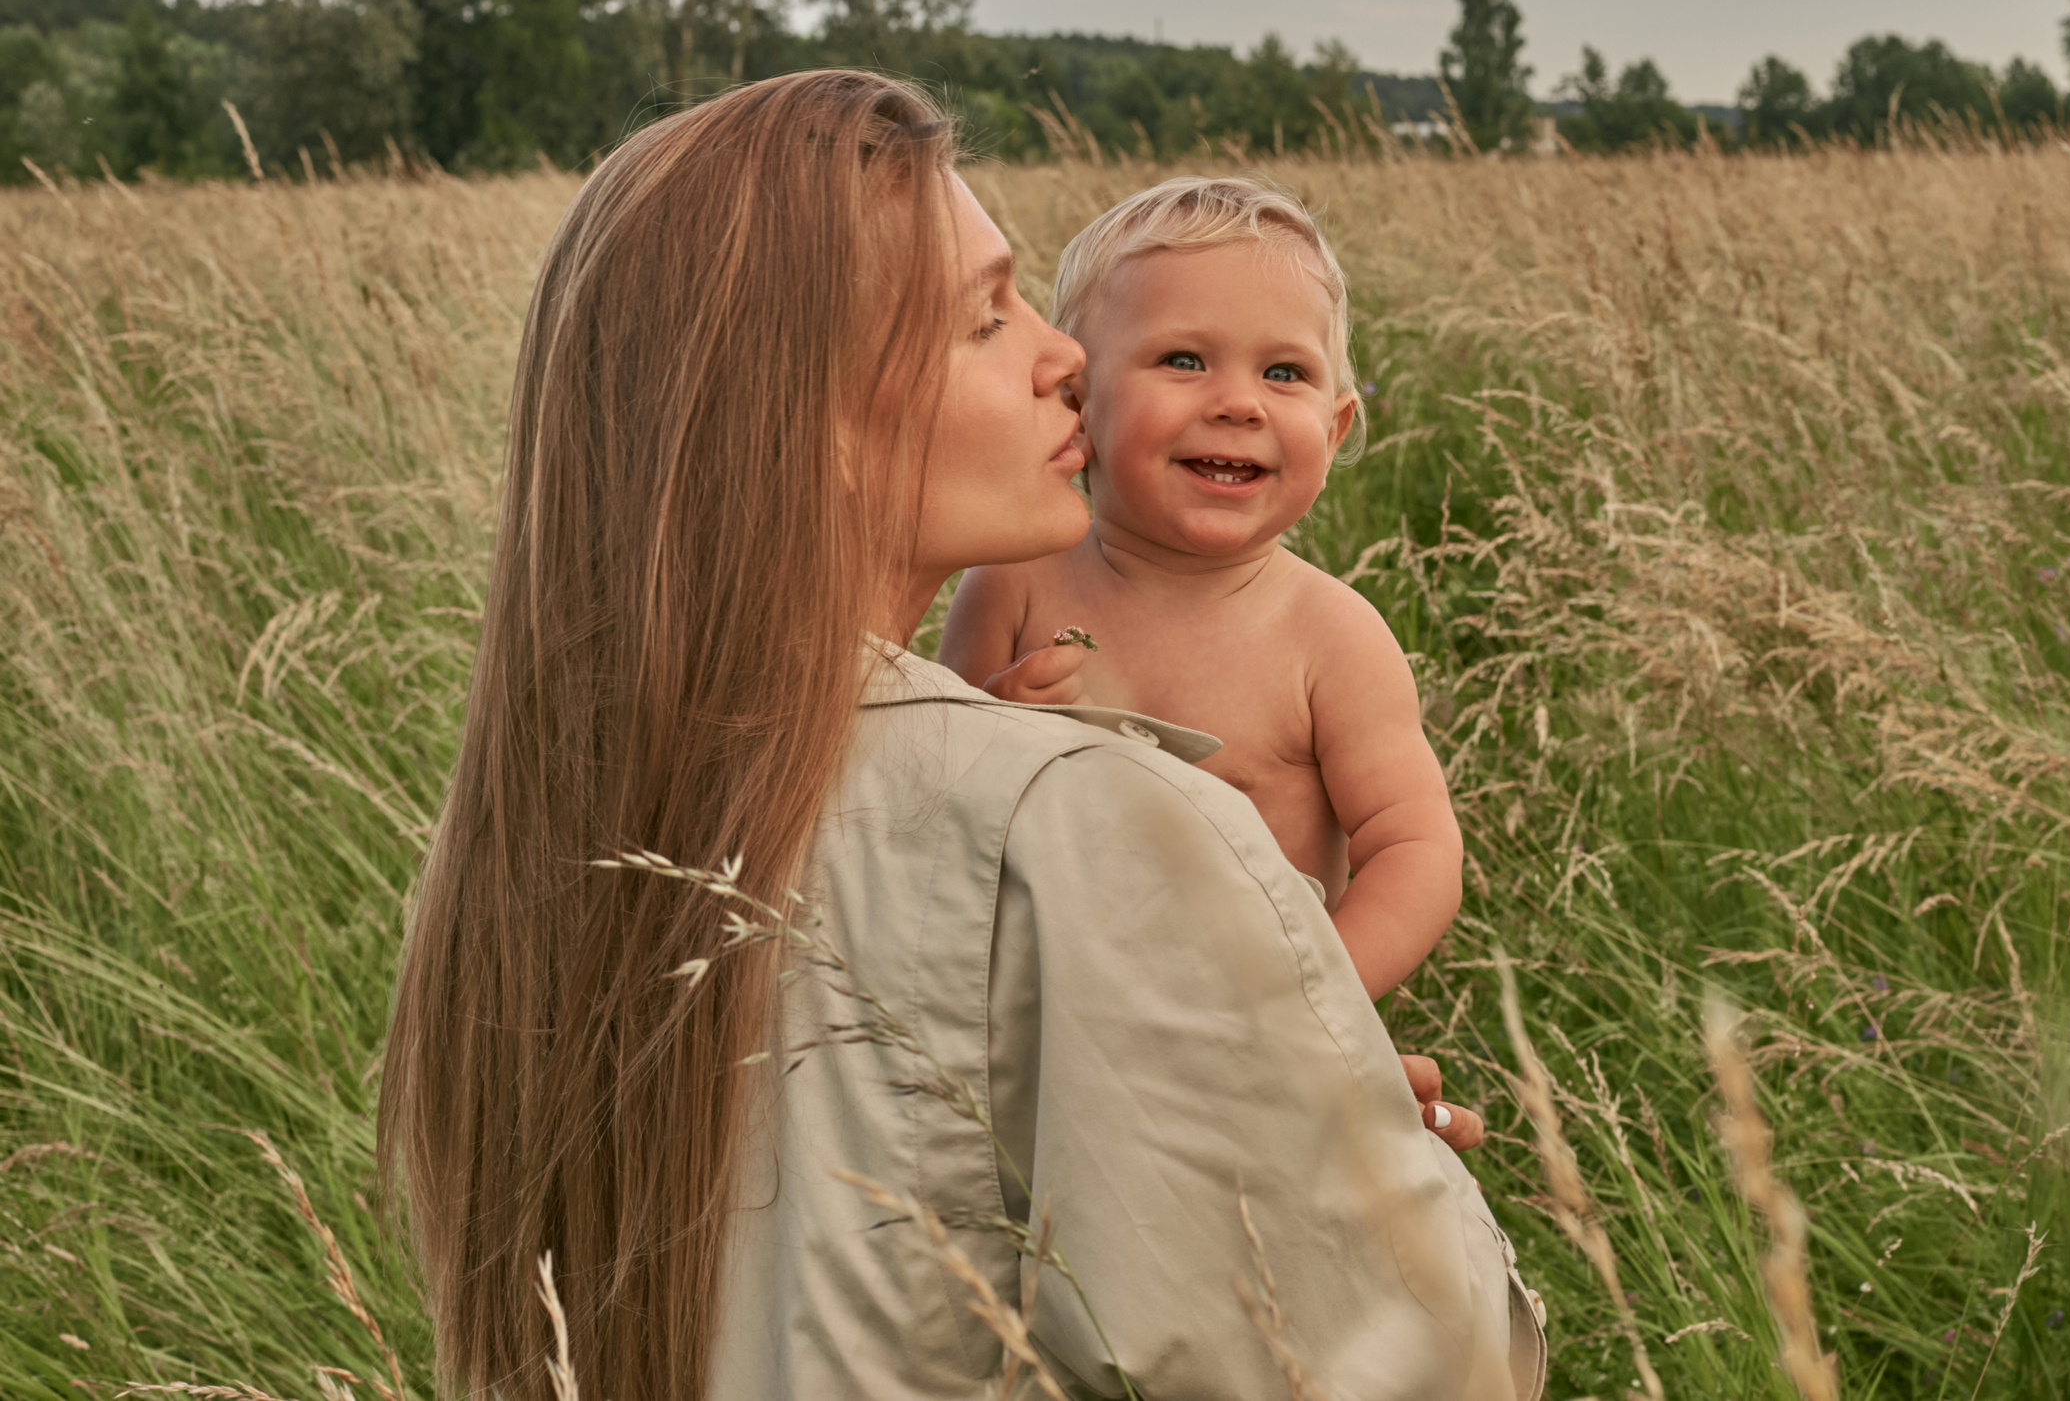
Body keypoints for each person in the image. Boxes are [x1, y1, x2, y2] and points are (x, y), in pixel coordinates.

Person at [377, 72, 1544, 1401]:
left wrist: (1275, 1081)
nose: (1063, 358)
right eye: (985, 319)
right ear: (813, 421)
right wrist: (1350, 1144)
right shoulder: (1077, 813)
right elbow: (1411, 1361)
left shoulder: (558, 817)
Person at [938, 178, 1461, 1000]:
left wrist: (1313, 1007)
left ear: (1335, 428)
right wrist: (1000, 723)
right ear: (1080, 399)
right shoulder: (1011, 585)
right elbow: (936, 805)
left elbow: (1417, 848)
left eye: (1285, 372)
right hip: (1050, 1028)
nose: (1238, 403)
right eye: (1184, 360)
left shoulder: (1330, 636)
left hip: (1250, 1030)